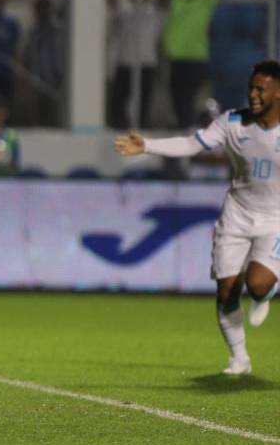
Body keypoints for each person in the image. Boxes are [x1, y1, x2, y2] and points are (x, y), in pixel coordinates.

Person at [114, 60, 280, 376]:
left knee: (257, 284)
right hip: (237, 214)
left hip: (276, 218)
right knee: (226, 290)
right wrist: (147, 145)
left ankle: (263, 294)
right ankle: (239, 358)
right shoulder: (233, 122)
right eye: (251, 88)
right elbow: (192, 144)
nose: (253, 94)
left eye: (261, 89)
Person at [157, 0, 220, 129]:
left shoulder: (204, 2)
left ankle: (189, 126)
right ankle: (185, 125)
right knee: (177, 96)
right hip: (176, 58)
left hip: (195, 58)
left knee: (189, 96)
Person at [107, 0, 163, 129]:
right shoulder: (124, 9)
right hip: (125, 62)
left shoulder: (153, 11)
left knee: (144, 101)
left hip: (146, 62)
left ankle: (142, 128)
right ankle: (120, 126)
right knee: (118, 100)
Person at [24, 0, 64, 127]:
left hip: (54, 79)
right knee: (38, 114)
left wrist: (59, 75)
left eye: (45, 9)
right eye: (39, 9)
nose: (42, 12)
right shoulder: (33, 32)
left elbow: (59, 54)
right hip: (37, 78)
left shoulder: (57, 30)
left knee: (53, 113)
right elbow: (29, 54)